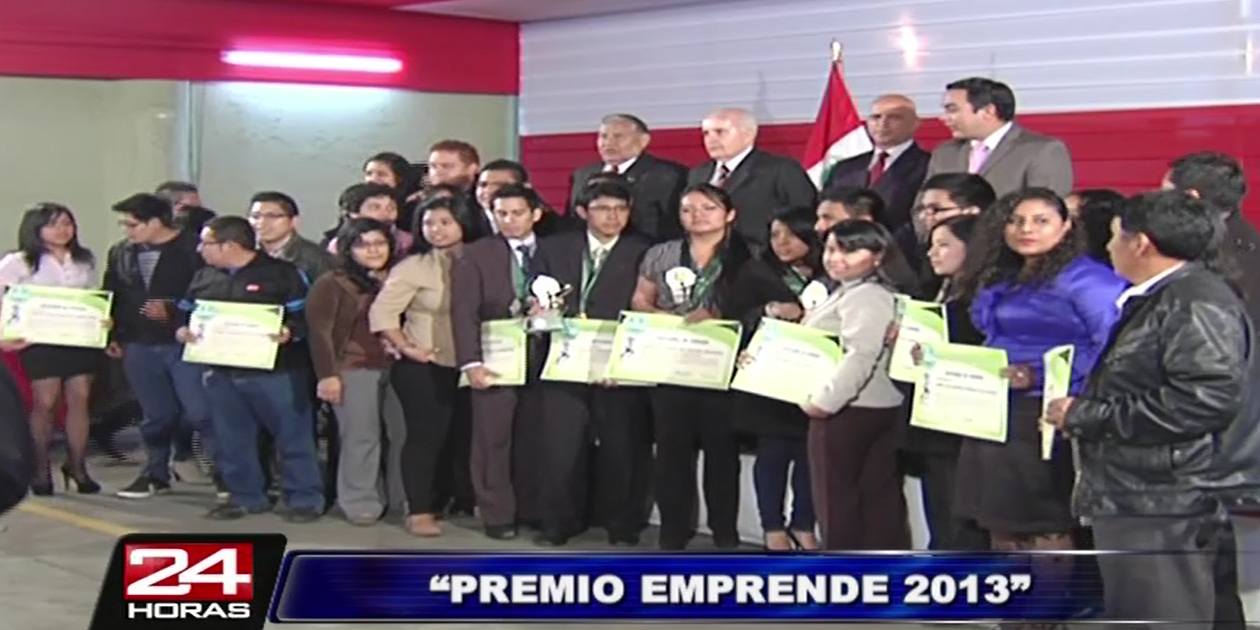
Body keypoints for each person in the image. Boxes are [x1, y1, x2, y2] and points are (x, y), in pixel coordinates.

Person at [1044, 190, 1259, 626]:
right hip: (1143, 489)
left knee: (1159, 613)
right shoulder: (1165, 296)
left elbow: (1202, 402)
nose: (1108, 247)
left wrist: (1084, 416)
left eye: (1113, 236)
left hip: (1165, 495)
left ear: (1141, 243)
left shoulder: (1194, 302)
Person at [953, 189, 1127, 615]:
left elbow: (1111, 346)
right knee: (1000, 517)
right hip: (993, 407)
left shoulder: (1087, 279)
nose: (1026, 229)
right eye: (1017, 221)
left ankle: (1046, 614)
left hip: (1047, 410)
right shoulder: (1005, 274)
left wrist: (1042, 375)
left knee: (1043, 520)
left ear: (1066, 226)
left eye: (1040, 220)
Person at [630, 182, 755, 550]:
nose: (697, 216)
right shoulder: (661, 253)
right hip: (671, 362)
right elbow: (640, 300)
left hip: (722, 365)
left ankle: (725, 531)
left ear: (729, 214)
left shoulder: (747, 255)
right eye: (688, 209)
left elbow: (759, 305)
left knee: (722, 453)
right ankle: (673, 529)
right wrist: (664, 317)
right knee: (671, 452)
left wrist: (720, 315)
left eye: (708, 208)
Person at [531, 181, 654, 546]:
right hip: (564, 358)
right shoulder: (554, 247)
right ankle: (559, 522)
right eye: (603, 208)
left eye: (621, 209)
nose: (613, 217)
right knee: (560, 446)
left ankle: (623, 524)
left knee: (624, 446)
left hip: (619, 360)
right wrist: (536, 311)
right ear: (583, 211)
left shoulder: (644, 250)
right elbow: (533, 296)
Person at [178, 216, 324, 522]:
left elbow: (308, 315)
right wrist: (182, 331)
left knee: (293, 437)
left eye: (206, 243)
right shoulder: (204, 275)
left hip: (277, 372)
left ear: (230, 245)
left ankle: (304, 499)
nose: (200, 249)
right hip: (221, 371)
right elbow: (186, 311)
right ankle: (245, 497)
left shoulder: (283, 274)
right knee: (232, 438)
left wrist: (289, 332)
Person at [371, 196, 487, 536]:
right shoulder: (413, 266)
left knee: (467, 438)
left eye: (444, 222)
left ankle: (466, 499)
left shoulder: (483, 260)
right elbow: (382, 313)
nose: (435, 230)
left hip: (474, 364)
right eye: (428, 223)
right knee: (425, 438)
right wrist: (407, 347)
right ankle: (420, 509)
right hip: (425, 364)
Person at [797, 220, 911, 550]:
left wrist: (824, 402)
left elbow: (861, 355)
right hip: (870, 407)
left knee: (839, 500)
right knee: (875, 496)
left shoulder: (867, 295)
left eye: (849, 250)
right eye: (831, 249)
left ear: (878, 256)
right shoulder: (852, 291)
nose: (836, 258)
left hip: (850, 409)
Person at [103, 193, 219, 501]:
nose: (127, 231)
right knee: (155, 414)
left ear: (156, 221)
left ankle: (226, 475)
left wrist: (175, 310)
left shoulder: (193, 249)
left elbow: (212, 291)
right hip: (138, 343)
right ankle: (155, 473)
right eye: (124, 224)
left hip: (184, 343)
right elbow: (112, 293)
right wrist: (111, 335)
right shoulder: (121, 252)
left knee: (200, 411)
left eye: (133, 224)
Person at [451, 183, 546, 540]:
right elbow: (463, 312)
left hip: (544, 357)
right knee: (492, 439)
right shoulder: (476, 254)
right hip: (495, 356)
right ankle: (497, 514)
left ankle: (533, 508)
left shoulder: (554, 251)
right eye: (501, 214)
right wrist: (470, 362)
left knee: (535, 437)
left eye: (517, 213)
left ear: (536, 214)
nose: (509, 220)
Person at [731, 206, 824, 551]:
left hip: (814, 377)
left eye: (790, 234)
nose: (781, 242)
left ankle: (803, 524)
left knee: (809, 457)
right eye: (775, 235)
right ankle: (772, 526)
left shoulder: (829, 272)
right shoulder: (756, 271)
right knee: (773, 454)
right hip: (770, 379)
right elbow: (734, 315)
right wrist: (768, 311)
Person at [0, 204, 102, 496]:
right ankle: (40, 468)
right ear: (36, 229)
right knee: (46, 402)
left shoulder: (83, 260)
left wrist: (101, 319)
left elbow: (92, 296)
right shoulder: (19, 261)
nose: (62, 230)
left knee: (80, 398)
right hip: (39, 340)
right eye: (53, 224)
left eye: (67, 223)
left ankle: (77, 465)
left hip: (79, 338)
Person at [307, 218, 402, 525]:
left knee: (401, 436)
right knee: (361, 437)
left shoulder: (400, 277)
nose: (373, 250)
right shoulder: (332, 282)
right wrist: (327, 375)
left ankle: (401, 498)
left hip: (400, 367)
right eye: (363, 245)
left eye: (380, 243)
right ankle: (360, 500)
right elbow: (320, 332)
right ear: (348, 249)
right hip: (353, 368)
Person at [903, 214, 989, 550]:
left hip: (964, 415)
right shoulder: (933, 291)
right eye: (931, 245)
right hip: (931, 416)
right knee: (937, 507)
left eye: (943, 245)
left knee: (961, 513)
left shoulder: (984, 298)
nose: (932, 253)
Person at [925, 78, 1073, 199]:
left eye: (952, 109)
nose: (943, 117)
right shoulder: (944, 153)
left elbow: (1046, 210)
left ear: (989, 111)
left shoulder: (1042, 150)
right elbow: (922, 207)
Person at [567, 114, 689, 242]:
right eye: (603, 136)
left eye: (618, 136)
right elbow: (571, 222)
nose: (608, 143)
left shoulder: (669, 176)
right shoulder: (582, 175)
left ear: (644, 140)